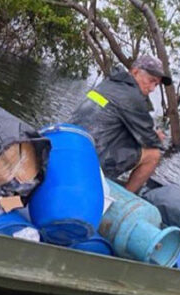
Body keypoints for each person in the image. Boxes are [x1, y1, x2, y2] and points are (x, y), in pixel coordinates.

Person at [69, 55, 171, 193]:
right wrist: (157, 138)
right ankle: (126, 197)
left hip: (70, 145)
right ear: (135, 72)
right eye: (151, 80)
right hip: (90, 161)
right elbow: (149, 139)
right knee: (153, 154)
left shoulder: (109, 82)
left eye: (156, 84)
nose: (152, 88)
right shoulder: (133, 97)